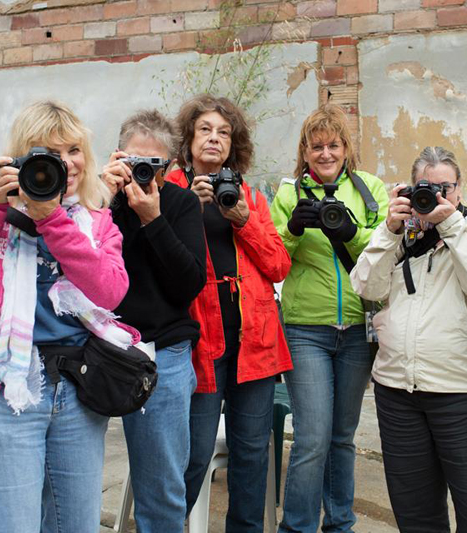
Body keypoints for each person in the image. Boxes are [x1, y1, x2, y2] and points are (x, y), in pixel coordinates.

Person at [0, 100, 130, 532]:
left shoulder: (96, 222)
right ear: (21, 160)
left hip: (77, 392)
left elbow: (110, 291)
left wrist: (53, 220)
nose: (65, 163)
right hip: (1, 391)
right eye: (48, 153)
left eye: (74, 150)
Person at [350, 147, 467, 532]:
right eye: (427, 188)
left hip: (464, 393)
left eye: (445, 188)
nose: (436, 197)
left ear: (459, 188)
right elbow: (366, 286)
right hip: (397, 393)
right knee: (415, 516)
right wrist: (389, 230)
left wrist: (449, 224)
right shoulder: (401, 232)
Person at [166, 93, 292, 531]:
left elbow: (278, 264)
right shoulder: (170, 193)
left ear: (234, 143)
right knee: (194, 453)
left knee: (252, 452)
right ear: (188, 139)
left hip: (254, 342)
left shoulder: (250, 197)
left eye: (224, 132)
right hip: (201, 343)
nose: (214, 139)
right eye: (205, 130)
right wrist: (186, 208)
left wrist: (242, 217)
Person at [269, 103, 388, 532]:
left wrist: (351, 233)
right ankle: (297, 526)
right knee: (312, 438)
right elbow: (274, 262)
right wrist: (294, 231)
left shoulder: (371, 188)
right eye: (316, 146)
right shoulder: (288, 194)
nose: (324, 153)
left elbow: (385, 254)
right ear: (305, 150)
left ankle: (340, 523)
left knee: (342, 438)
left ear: (345, 148)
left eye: (333, 145)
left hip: (357, 330)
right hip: (306, 330)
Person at [101, 109, 206, 532]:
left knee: (162, 490)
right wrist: (101, 199)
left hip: (162, 353)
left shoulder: (180, 205)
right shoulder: (98, 203)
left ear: (169, 169)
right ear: (116, 157)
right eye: (133, 161)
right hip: (99, 348)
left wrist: (153, 219)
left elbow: (188, 286)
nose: (142, 172)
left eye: (153, 165)